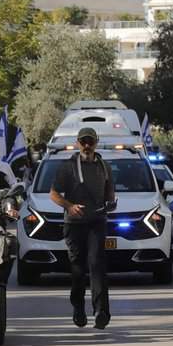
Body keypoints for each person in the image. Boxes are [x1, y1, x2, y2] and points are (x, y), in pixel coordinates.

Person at [49, 127, 115, 330]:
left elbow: (109, 191)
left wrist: (111, 203)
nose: (87, 145)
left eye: (91, 142)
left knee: (97, 264)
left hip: (97, 221)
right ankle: (78, 308)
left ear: (96, 143)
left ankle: (101, 312)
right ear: (77, 143)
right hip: (74, 224)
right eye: (83, 142)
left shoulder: (104, 166)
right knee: (78, 269)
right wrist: (69, 206)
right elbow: (53, 193)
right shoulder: (68, 166)